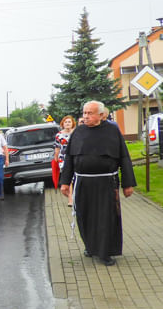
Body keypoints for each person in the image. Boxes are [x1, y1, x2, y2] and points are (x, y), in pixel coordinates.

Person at [59, 101, 135, 266]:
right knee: (84, 216)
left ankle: (105, 252)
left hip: (106, 183)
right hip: (83, 183)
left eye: (90, 113)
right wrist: (65, 182)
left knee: (105, 218)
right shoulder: (78, 132)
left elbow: (124, 157)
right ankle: (90, 246)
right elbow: (70, 159)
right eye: (84, 113)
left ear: (101, 115)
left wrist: (128, 183)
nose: (85, 116)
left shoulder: (112, 131)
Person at [53, 115, 75, 205]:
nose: (67, 124)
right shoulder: (59, 135)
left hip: (74, 156)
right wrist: (56, 158)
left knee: (74, 179)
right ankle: (71, 199)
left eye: (69, 122)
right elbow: (57, 147)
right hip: (63, 158)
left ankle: (74, 198)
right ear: (63, 124)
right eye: (66, 122)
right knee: (68, 179)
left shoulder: (76, 133)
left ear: (72, 123)